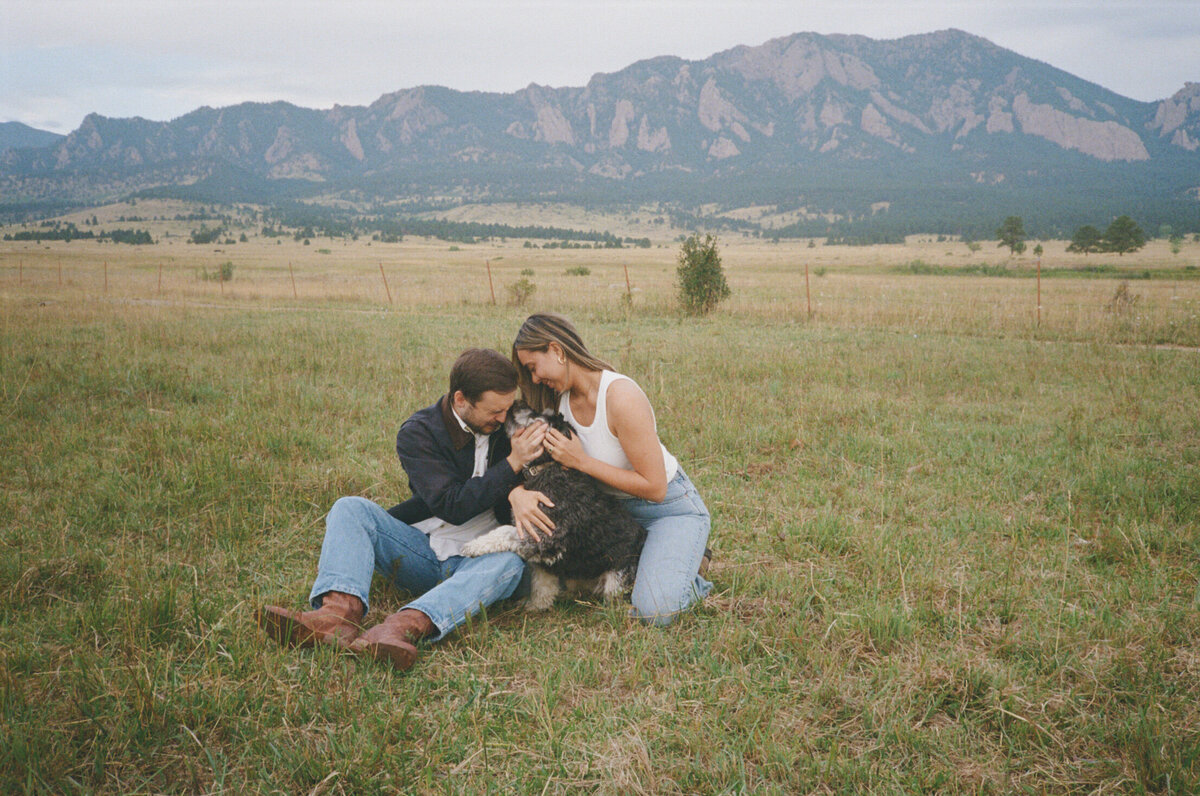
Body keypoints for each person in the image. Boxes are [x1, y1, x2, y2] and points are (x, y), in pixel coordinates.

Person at [258, 348, 548, 670]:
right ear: (461, 400)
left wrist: (518, 490)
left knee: (509, 563)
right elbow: (452, 504)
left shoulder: (507, 428)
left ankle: (400, 629)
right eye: (495, 411)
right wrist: (512, 465)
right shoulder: (419, 433)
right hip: (423, 550)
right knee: (349, 508)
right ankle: (335, 616)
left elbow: (544, 479)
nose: (504, 418)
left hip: (480, 559)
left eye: (508, 409)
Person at [509, 312, 712, 625]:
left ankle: (688, 564)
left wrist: (581, 462)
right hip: (611, 520)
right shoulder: (556, 399)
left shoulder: (620, 396)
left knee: (655, 611)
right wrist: (516, 491)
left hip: (665, 509)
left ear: (557, 350)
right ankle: (661, 561)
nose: (534, 379)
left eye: (533, 368)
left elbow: (655, 487)